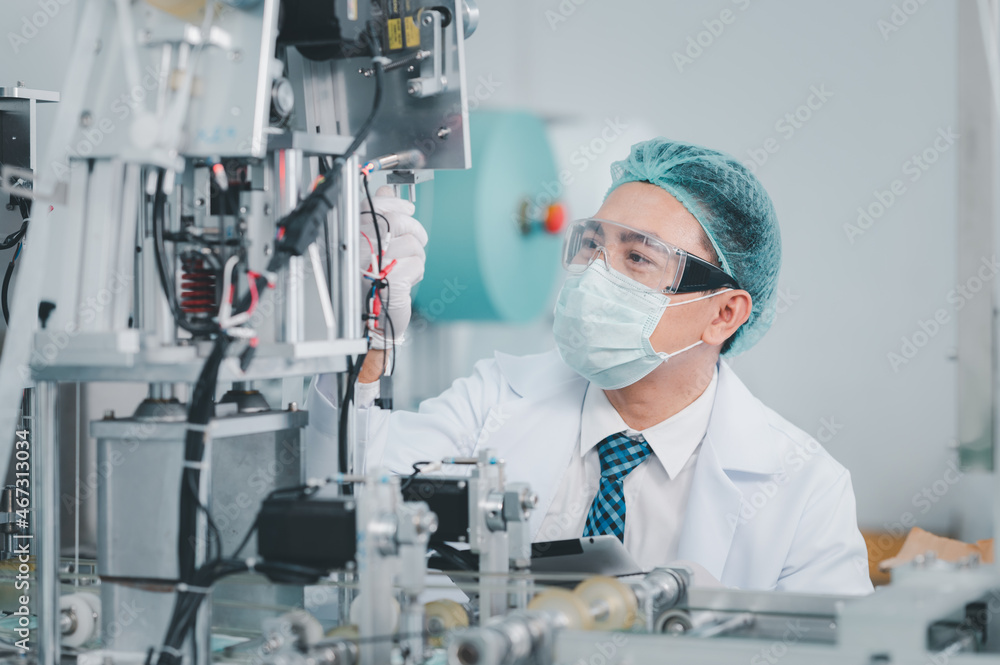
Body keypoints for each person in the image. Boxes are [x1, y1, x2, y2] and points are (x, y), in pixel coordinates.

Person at [307, 138, 873, 594]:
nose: (595, 274)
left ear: (723, 314)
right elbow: (347, 490)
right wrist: (365, 344)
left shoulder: (805, 491)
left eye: (638, 257)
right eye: (591, 245)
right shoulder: (494, 398)